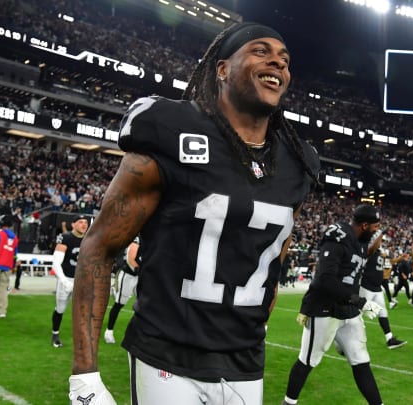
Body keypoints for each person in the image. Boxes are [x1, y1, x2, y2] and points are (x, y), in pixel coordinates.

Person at [69, 21, 319, 405]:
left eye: (284, 59)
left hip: (245, 363)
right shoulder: (173, 129)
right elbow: (100, 247)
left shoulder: (297, 161)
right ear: (222, 69)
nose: (277, 63)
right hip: (166, 357)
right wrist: (84, 374)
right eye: (260, 51)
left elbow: (275, 260)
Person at [282, 204, 384, 405]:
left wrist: (356, 302)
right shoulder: (338, 237)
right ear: (364, 225)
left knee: (361, 361)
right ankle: (288, 403)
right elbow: (324, 279)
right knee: (307, 360)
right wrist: (359, 301)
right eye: (374, 227)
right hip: (324, 309)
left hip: (348, 310)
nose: (375, 231)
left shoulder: (361, 242)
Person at [359, 230, 407, 349]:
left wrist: (400, 258)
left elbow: (389, 262)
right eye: (380, 240)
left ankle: (389, 339)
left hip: (377, 288)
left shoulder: (380, 252)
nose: (381, 242)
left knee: (382, 312)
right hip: (366, 286)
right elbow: (372, 248)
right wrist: (379, 234)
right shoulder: (367, 249)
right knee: (357, 314)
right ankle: (347, 339)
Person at [51, 215, 89, 348]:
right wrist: (64, 282)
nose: (84, 225)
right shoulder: (66, 238)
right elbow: (56, 264)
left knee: (82, 310)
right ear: (73, 225)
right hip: (66, 277)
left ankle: (81, 337)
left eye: (86, 222)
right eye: (80, 222)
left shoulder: (89, 239)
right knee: (60, 308)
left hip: (82, 280)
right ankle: (55, 333)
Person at [104, 237, 141, 344]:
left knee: (143, 304)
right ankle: (109, 331)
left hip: (140, 276)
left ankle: (139, 332)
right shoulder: (136, 239)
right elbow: (132, 259)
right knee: (120, 303)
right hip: (128, 275)